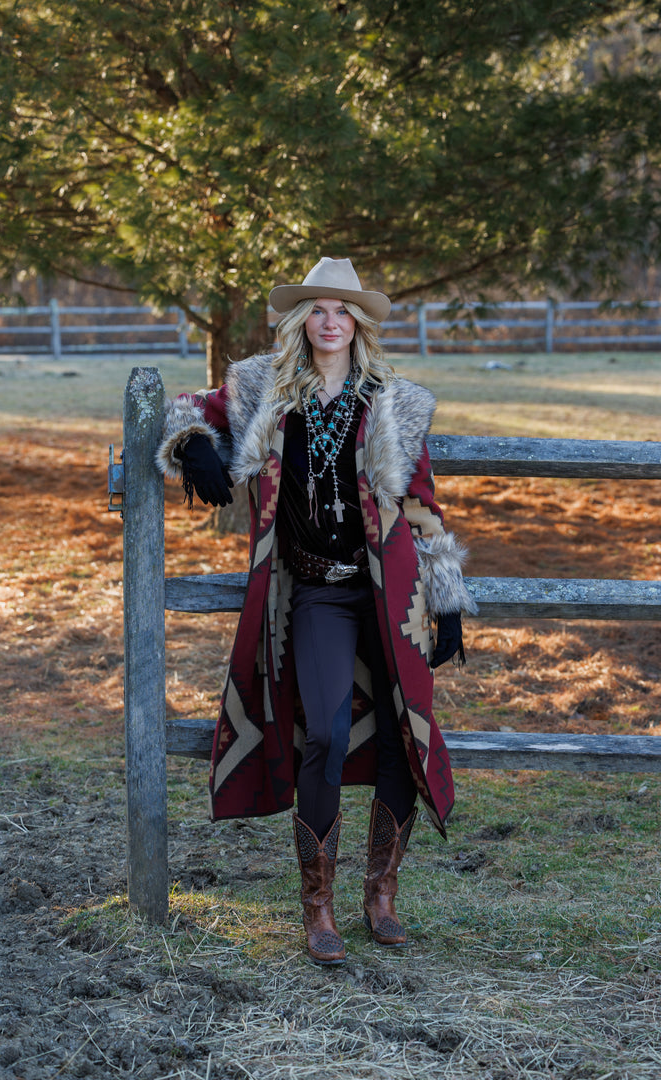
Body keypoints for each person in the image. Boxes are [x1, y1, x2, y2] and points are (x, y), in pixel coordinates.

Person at [156, 257, 477, 965]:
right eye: (317, 311)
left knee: (402, 733)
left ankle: (381, 895)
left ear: (358, 324)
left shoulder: (394, 401)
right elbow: (181, 407)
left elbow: (422, 507)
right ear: (300, 322)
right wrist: (196, 443)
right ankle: (318, 907)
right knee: (326, 731)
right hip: (316, 591)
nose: (331, 323)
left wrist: (446, 598)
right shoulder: (260, 389)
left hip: (390, 594)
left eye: (343, 311)